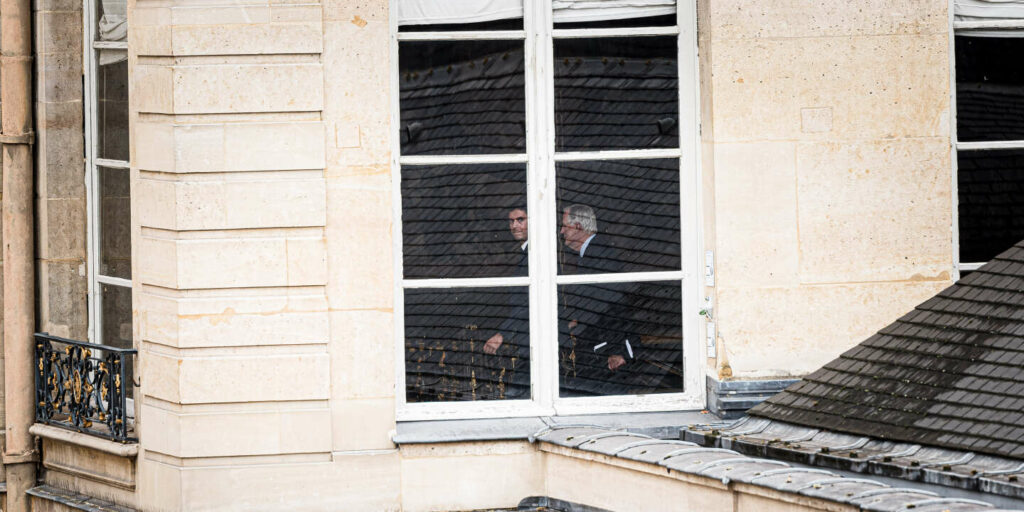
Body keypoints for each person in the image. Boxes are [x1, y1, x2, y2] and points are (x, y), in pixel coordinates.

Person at [559, 205, 630, 385]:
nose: (561, 231)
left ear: (578, 227)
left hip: (606, 350)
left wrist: (615, 351)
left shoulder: (600, 255)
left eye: (565, 226)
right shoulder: (593, 252)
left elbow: (614, 304)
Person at [483, 207, 528, 354]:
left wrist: (502, 334)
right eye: (511, 221)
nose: (514, 226)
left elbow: (528, 302)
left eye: (520, 220)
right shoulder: (525, 252)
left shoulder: (535, 254)